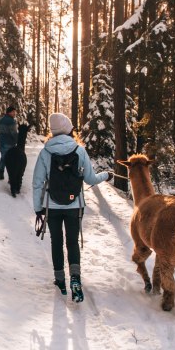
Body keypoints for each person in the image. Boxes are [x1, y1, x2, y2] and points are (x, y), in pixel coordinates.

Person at [32, 113, 113, 302]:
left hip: (52, 206)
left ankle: (60, 279)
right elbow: (91, 179)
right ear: (69, 129)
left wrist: (38, 209)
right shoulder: (79, 150)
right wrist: (106, 176)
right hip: (74, 205)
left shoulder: (45, 153)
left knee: (56, 242)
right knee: (72, 241)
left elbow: (37, 183)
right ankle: (75, 279)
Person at [0, 106, 18, 180]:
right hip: (10, 143)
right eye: (13, 112)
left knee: (3, 158)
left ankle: (1, 173)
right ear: (9, 112)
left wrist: (0, 141)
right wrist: (16, 141)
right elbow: (14, 133)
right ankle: (10, 177)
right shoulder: (11, 121)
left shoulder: (1, 120)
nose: (15, 113)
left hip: (2, 143)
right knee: (11, 160)